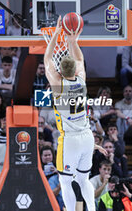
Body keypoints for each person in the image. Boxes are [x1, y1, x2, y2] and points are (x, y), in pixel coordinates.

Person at [44, 16, 95, 211]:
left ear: (60, 71)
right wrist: (73, 41)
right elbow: (80, 59)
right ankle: (91, 209)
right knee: (84, 179)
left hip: (70, 140)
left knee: (65, 181)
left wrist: (57, 33)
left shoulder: (58, 84)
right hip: (87, 136)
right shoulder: (81, 80)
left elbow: (48, 59)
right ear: (75, 69)